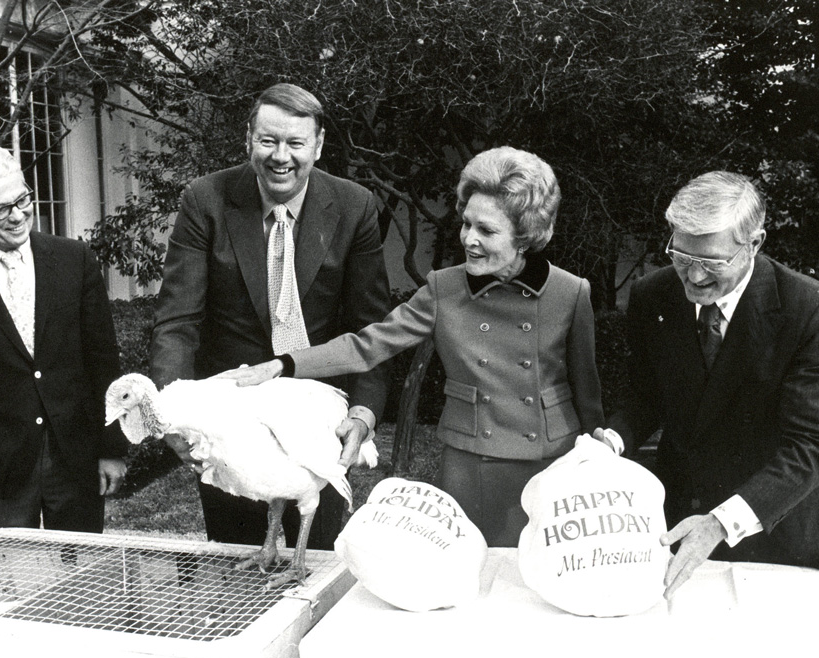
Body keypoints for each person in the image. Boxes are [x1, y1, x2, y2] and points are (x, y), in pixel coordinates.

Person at [222, 146, 604, 547]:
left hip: (553, 461)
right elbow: (368, 344)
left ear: (524, 236)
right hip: (471, 461)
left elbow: (587, 391)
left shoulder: (571, 293)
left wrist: (598, 457)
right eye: (466, 224)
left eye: (487, 231)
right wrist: (283, 364)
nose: (469, 240)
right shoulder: (445, 288)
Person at [151, 82, 392, 551]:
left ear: (318, 146)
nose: (281, 156)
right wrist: (175, 413)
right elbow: (177, 320)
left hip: (315, 426)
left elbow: (372, 329)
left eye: (296, 143)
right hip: (229, 428)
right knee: (236, 570)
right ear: (249, 140)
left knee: (319, 565)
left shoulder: (353, 207)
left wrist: (362, 413)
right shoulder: (206, 200)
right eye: (269, 141)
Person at [593, 171, 819, 599]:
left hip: (782, 534)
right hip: (679, 520)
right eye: (681, 257)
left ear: (755, 243)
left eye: (712, 263)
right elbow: (646, 395)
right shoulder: (652, 294)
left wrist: (719, 523)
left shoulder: (814, 311)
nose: (693, 278)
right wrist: (612, 441)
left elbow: (811, 447)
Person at [0, 146, 127, 532]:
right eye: (0, 209)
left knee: (79, 582)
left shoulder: (75, 260)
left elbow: (103, 363)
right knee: (8, 584)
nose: (17, 215)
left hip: (74, 458)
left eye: (22, 199)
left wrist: (110, 448)